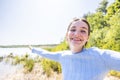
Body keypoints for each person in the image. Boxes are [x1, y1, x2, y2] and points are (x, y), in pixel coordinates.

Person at [29, 18, 120, 80]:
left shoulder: (100, 56)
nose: (77, 34)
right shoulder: (62, 55)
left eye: (83, 31)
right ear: (67, 35)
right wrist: (33, 49)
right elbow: (45, 53)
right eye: (73, 29)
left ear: (87, 37)